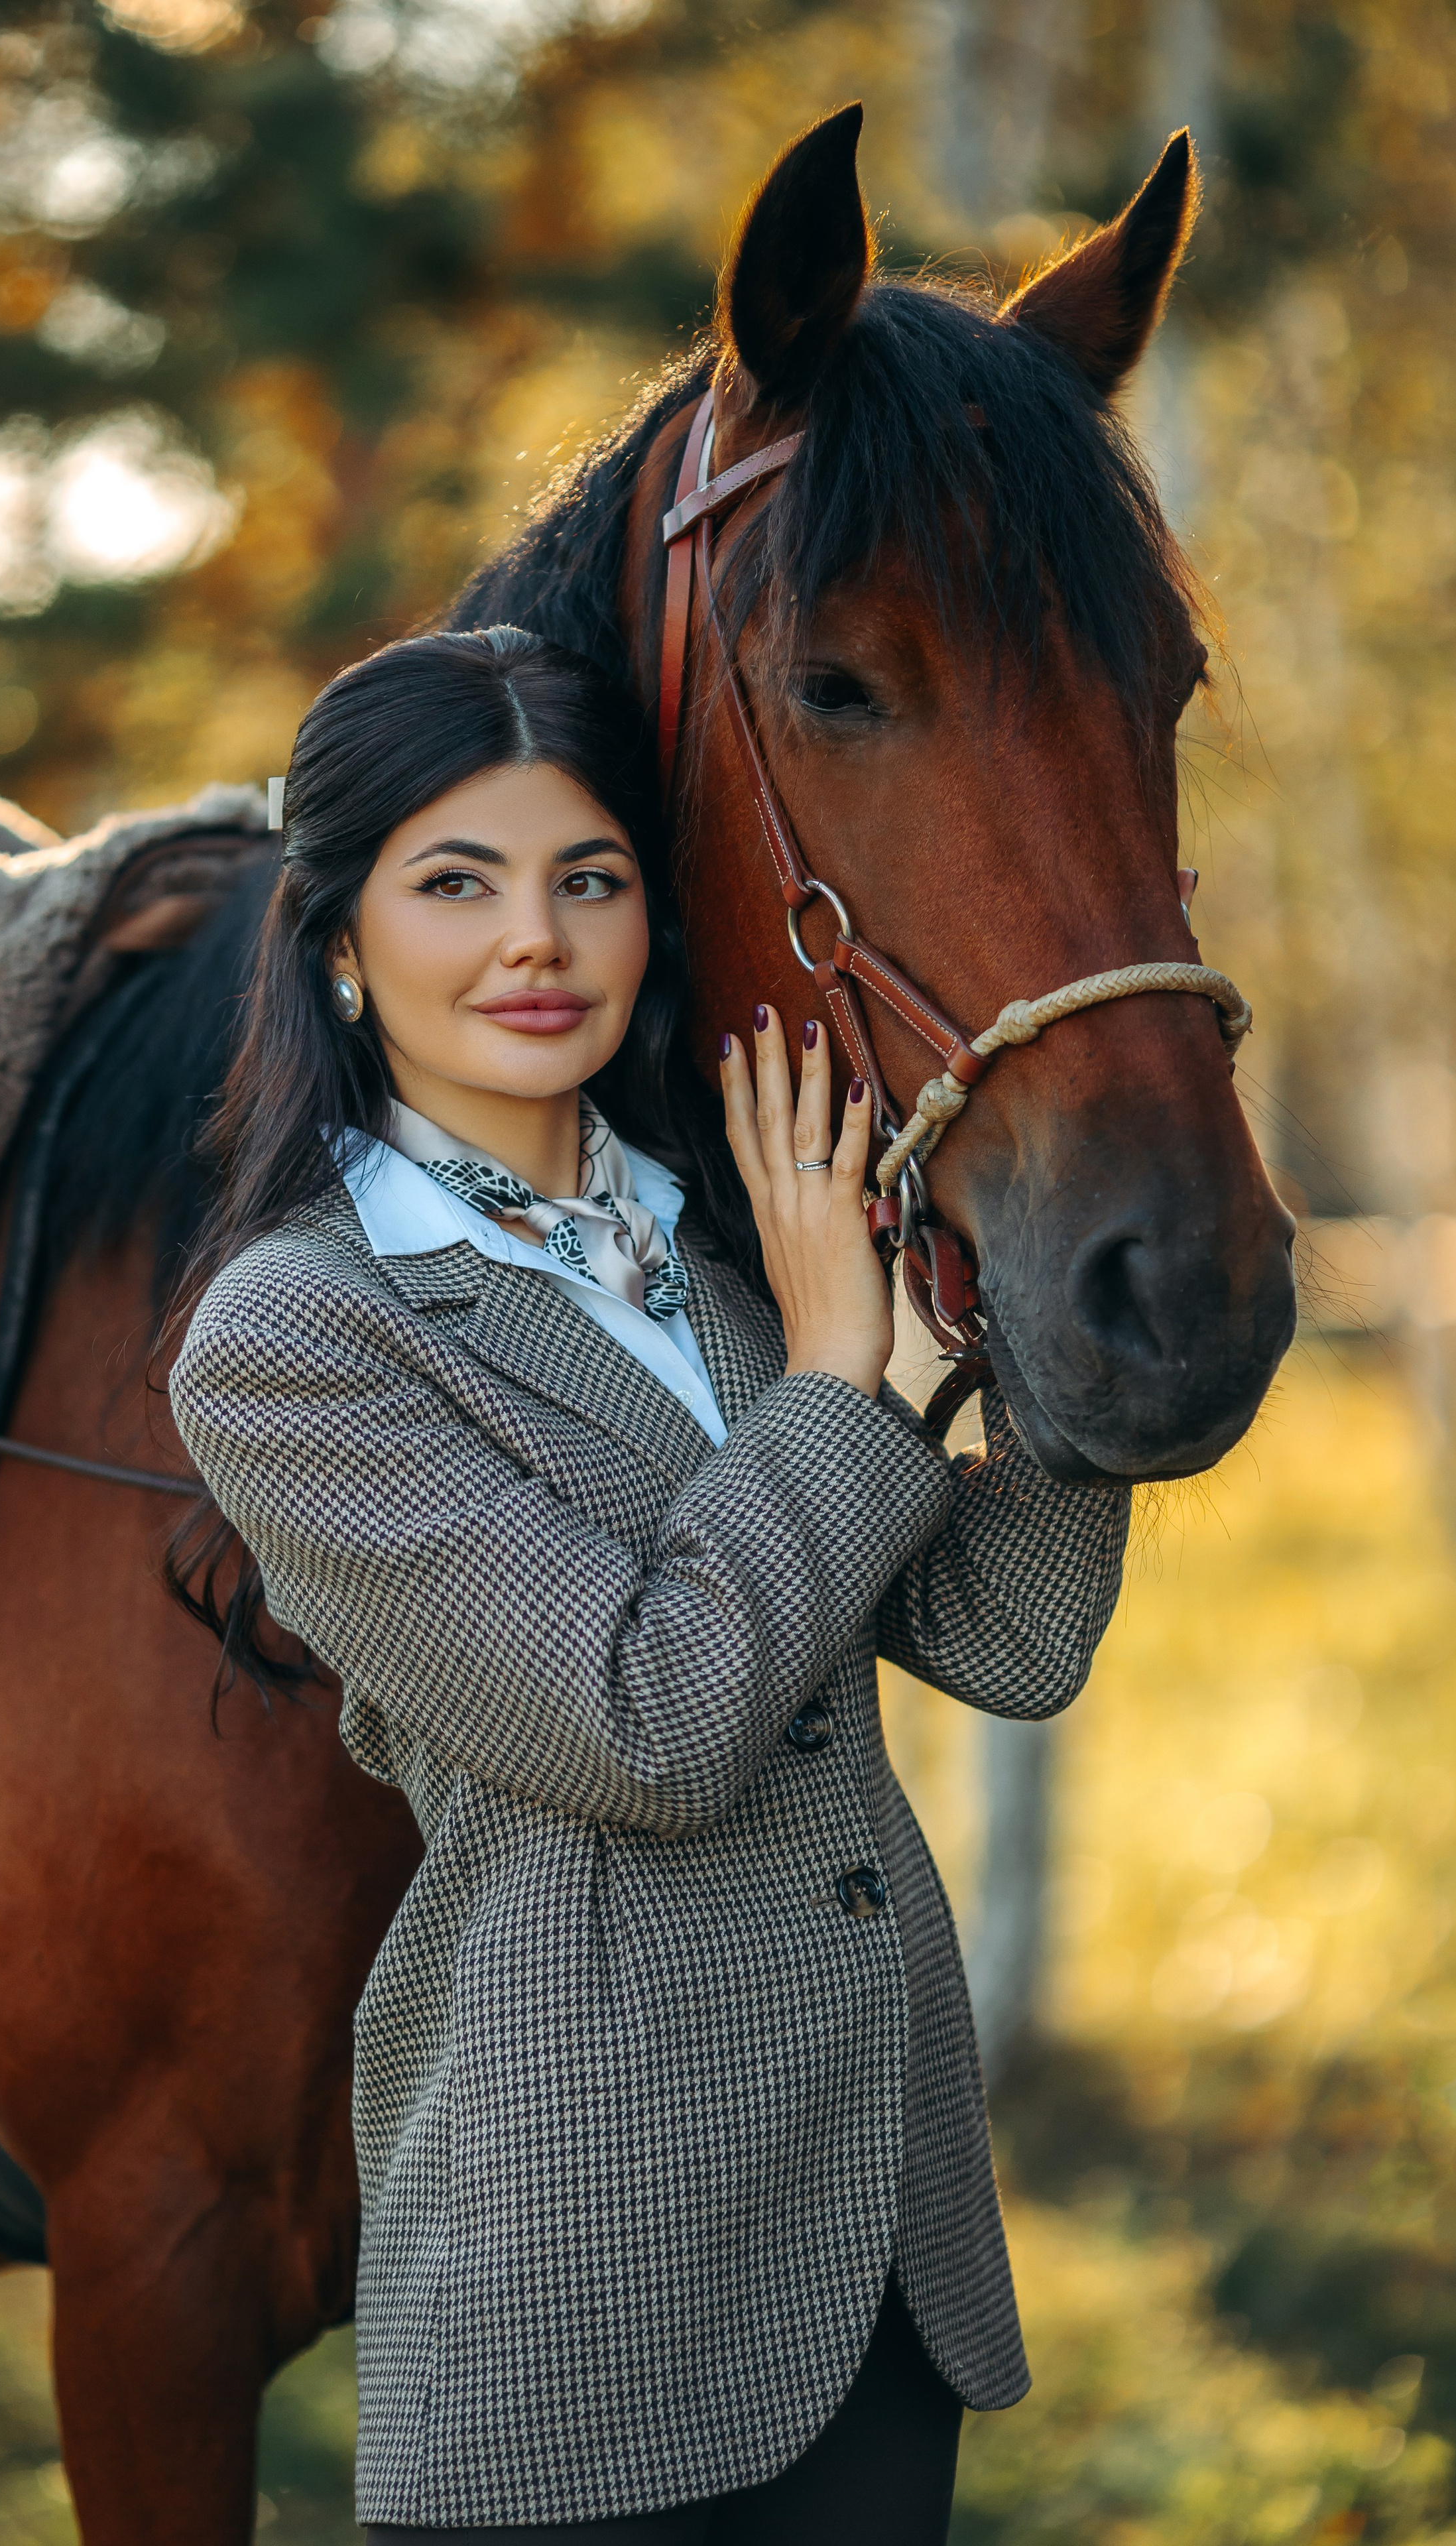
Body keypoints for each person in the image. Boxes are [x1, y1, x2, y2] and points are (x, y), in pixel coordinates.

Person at [167, 625, 1130, 2543]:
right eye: (458, 883)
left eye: (587, 880)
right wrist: (845, 1373)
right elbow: (654, 1721)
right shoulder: (298, 1335)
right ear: (343, 947)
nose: (535, 939)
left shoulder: (736, 1234)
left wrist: (1052, 1316)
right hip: (586, 2279)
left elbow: (1006, 1638)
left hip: (876, 2233)